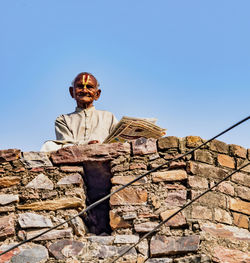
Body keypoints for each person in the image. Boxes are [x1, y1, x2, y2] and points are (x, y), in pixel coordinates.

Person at [41, 72, 118, 151]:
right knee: (49, 145)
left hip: (104, 153)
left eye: (89, 87)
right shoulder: (63, 119)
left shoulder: (108, 117)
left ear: (97, 94)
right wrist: (86, 144)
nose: (84, 91)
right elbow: (66, 145)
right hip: (74, 154)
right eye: (80, 87)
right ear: (72, 92)